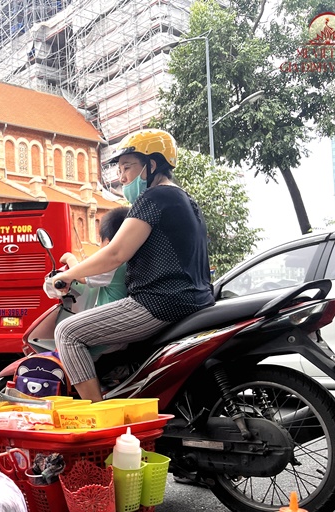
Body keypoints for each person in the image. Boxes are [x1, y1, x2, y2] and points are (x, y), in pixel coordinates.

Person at [44, 129, 214, 402]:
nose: (122, 177)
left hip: (158, 302)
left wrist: (70, 274)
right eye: (120, 169)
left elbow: (116, 253)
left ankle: (99, 417)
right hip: (194, 298)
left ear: (152, 165)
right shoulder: (185, 199)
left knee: (67, 332)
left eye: (128, 167)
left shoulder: (154, 198)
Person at [60, 207, 129, 307]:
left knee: (67, 323)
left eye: (100, 242)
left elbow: (81, 276)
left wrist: (69, 258)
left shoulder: (113, 264)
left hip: (109, 317)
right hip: (128, 314)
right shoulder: (131, 261)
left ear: (108, 243)